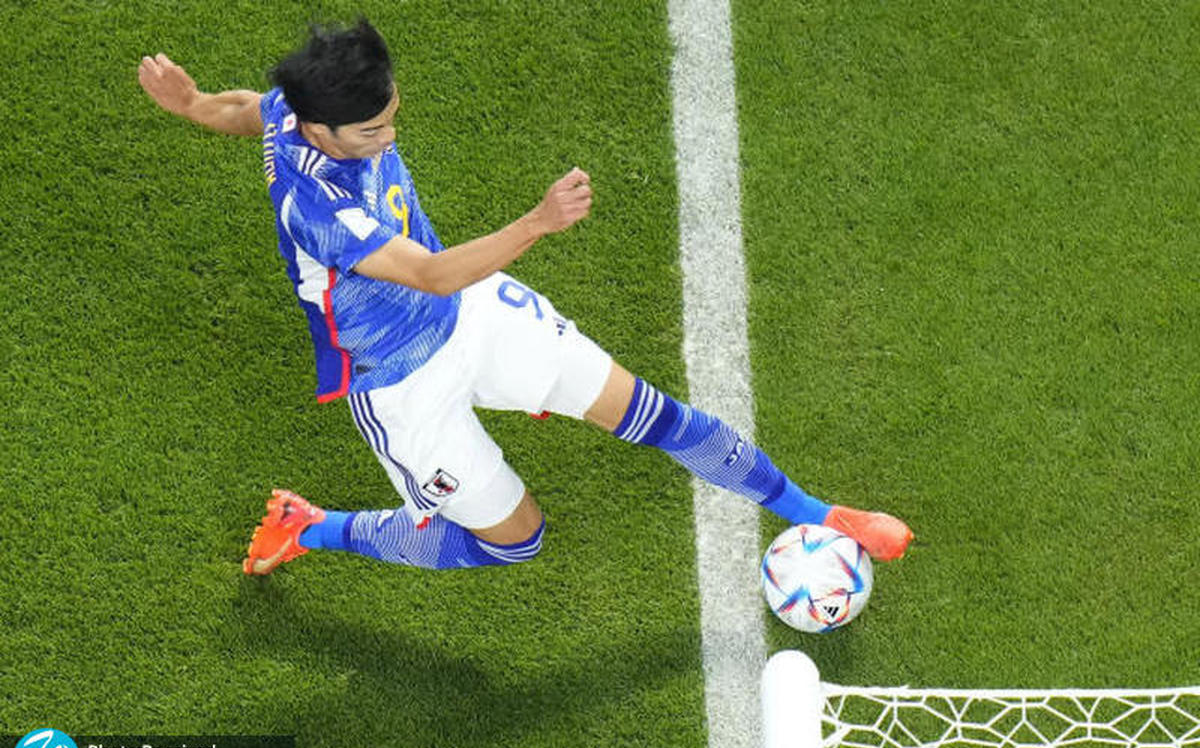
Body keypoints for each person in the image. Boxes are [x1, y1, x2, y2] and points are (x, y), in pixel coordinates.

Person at [137, 19, 912, 576]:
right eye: (370, 132)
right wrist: (538, 223)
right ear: (319, 130)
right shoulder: (314, 207)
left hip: (473, 311)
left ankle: (821, 514)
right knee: (515, 541)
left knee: (651, 412)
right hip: (401, 382)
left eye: (391, 116)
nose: (388, 137)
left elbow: (253, 110)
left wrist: (194, 102)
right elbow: (430, 273)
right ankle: (309, 526)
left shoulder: (301, 108)